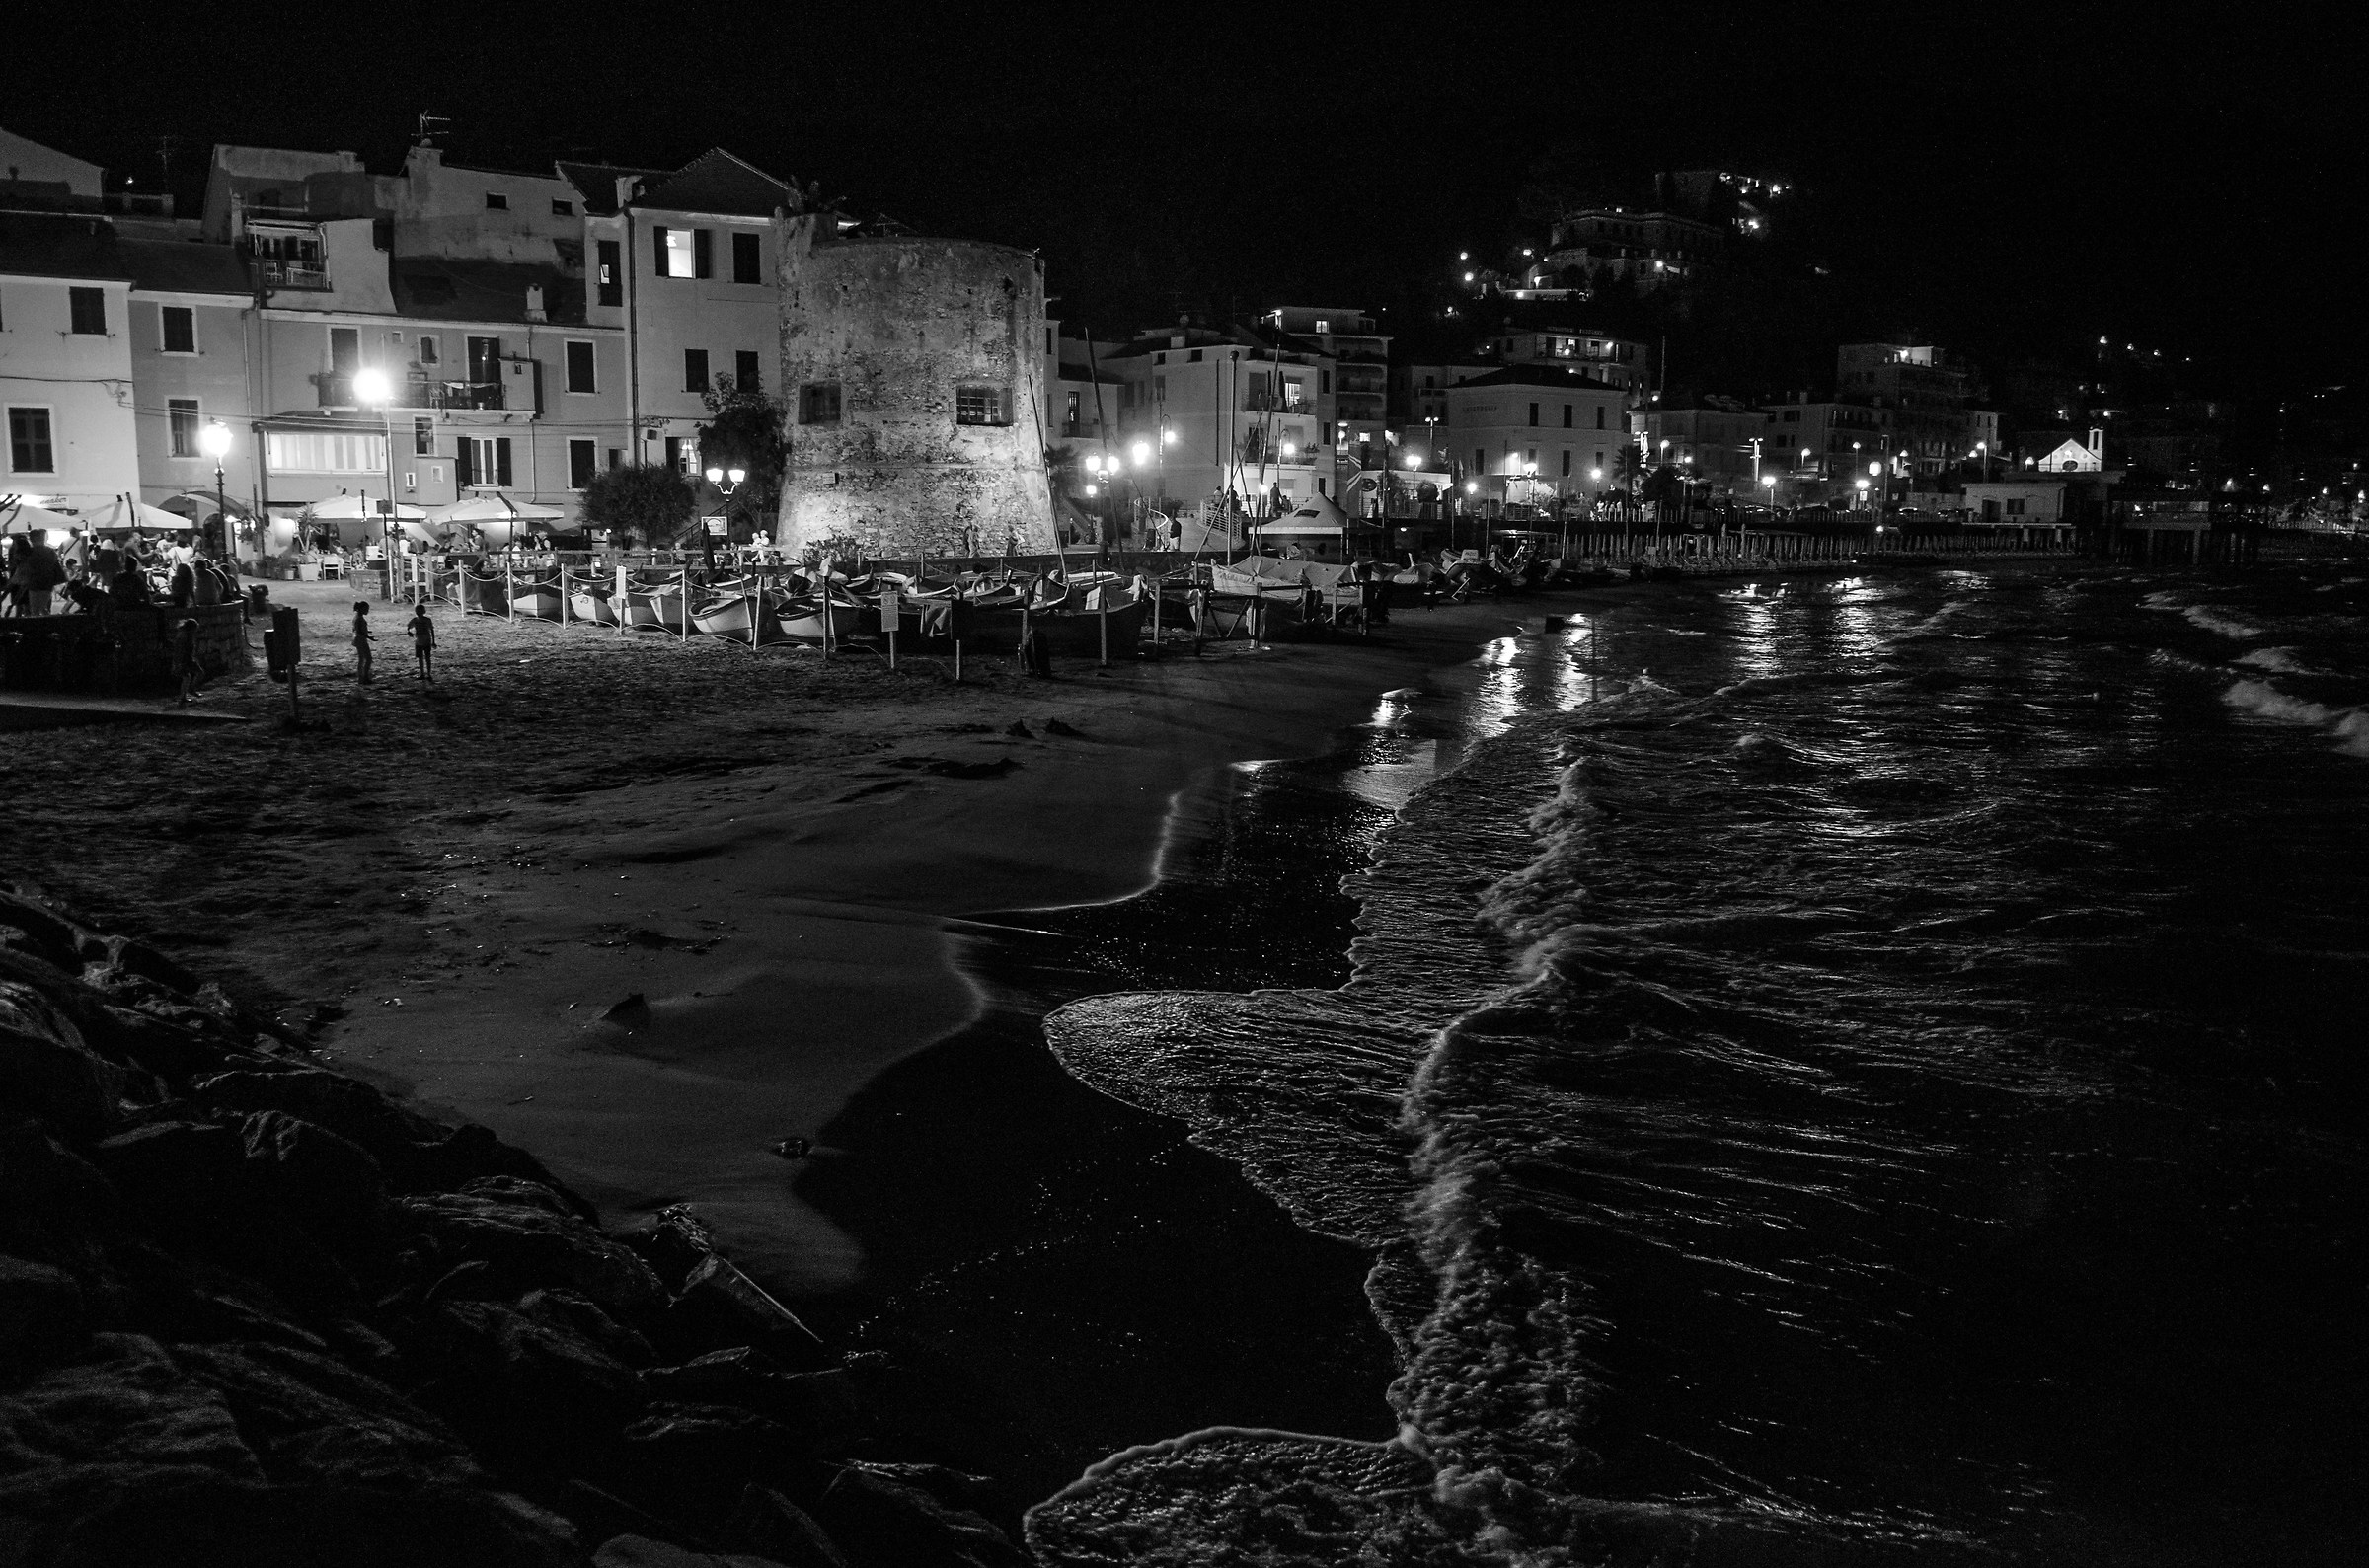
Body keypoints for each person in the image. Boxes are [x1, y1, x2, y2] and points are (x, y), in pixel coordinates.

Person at [174, 614, 201, 705]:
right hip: (184, 660)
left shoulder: (186, 635)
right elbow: (180, 650)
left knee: (190, 676)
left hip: (187, 659)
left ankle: (186, 693)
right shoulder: (184, 636)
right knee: (187, 677)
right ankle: (184, 696)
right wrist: (179, 663)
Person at [407, 598, 436, 685]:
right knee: (426, 658)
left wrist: (408, 631)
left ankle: (424, 673)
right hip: (424, 640)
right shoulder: (426, 620)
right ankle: (426, 673)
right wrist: (433, 641)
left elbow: (408, 626)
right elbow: (432, 630)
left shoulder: (415, 620)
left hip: (420, 641)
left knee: (423, 658)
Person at [351, 599, 374, 684]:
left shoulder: (358, 617)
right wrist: (368, 637)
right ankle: (364, 677)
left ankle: (362, 677)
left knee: (362, 659)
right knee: (367, 659)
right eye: (366, 609)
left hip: (359, 639)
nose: (367, 611)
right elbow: (359, 631)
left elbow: (358, 629)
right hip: (361, 640)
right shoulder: (359, 618)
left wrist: (367, 632)